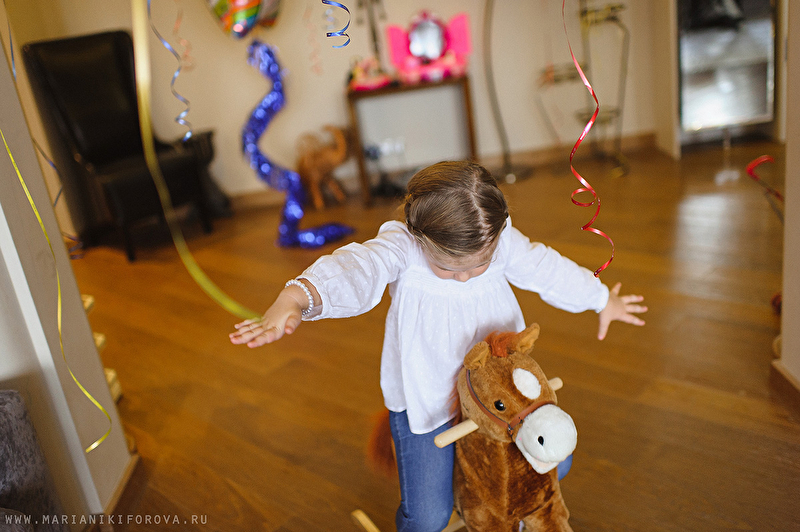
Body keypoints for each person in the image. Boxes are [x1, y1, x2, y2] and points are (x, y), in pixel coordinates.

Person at [230, 161, 647, 532]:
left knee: (556, 460)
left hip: (500, 396)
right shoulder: (403, 248)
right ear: (420, 236)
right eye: (449, 267)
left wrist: (601, 299)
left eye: (480, 264)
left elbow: (545, 267)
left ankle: (506, 508)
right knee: (427, 517)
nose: (466, 276)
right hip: (428, 404)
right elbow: (357, 266)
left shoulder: (501, 241)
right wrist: (297, 297)